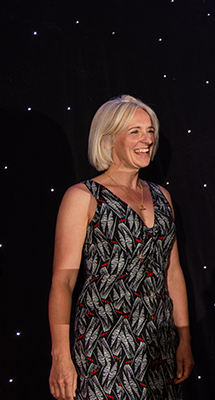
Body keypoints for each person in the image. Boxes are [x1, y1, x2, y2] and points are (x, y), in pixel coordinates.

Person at [48, 95, 194, 400]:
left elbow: (172, 273)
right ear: (108, 139)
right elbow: (63, 281)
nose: (147, 140)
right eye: (135, 131)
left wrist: (184, 338)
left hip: (159, 344)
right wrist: (60, 355)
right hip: (105, 347)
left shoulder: (162, 196)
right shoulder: (82, 197)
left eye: (150, 131)